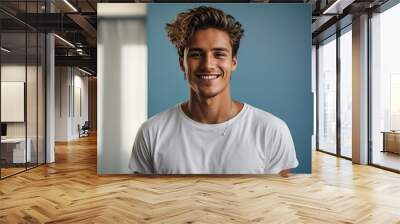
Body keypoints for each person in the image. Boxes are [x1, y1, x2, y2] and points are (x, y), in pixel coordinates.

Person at [129, 6, 298, 176]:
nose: (208, 65)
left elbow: (278, 200)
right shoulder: (151, 132)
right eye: (196, 54)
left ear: (233, 63)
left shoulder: (271, 130)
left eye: (219, 54)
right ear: (182, 64)